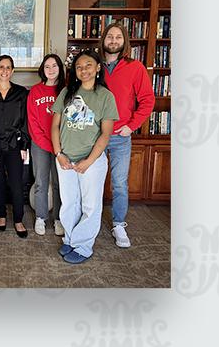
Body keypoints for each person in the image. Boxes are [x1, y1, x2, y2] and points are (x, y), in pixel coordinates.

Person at [51, 50, 118, 264]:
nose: (83, 70)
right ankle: (71, 239)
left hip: (92, 161)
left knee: (90, 205)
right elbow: (54, 126)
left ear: (98, 67)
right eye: (79, 67)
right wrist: (58, 154)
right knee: (69, 203)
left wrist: (89, 161)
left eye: (88, 65)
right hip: (65, 159)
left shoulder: (105, 96)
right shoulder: (66, 93)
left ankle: (84, 246)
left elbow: (106, 134)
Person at [99, 23, 155, 248]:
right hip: (95, 136)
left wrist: (131, 126)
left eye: (118, 37)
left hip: (121, 135)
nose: (113, 40)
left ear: (124, 42)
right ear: (103, 40)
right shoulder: (93, 67)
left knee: (120, 183)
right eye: (110, 36)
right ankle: (89, 221)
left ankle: (119, 225)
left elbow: (147, 100)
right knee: (91, 181)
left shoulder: (136, 67)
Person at [0, 55, 30, 238]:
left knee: (17, 184)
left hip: (14, 145)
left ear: (13, 71)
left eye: (8, 67)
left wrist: (24, 145)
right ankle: (1, 215)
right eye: (1, 67)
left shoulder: (21, 93)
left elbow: (25, 121)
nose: (4, 70)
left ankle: (18, 219)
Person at [27, 54, 66, 237]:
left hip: (62, 145)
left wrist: (58, 145)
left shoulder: (66, 90)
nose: (51, 70)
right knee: (41, 182)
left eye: (54, 66)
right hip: (40, 144)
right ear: (42, 69)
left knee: (60, 183)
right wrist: (46, 144)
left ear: (60, 68)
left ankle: (58, 219)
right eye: (47, 66)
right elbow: (32, 122)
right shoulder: (35, 91)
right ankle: (41, 217)